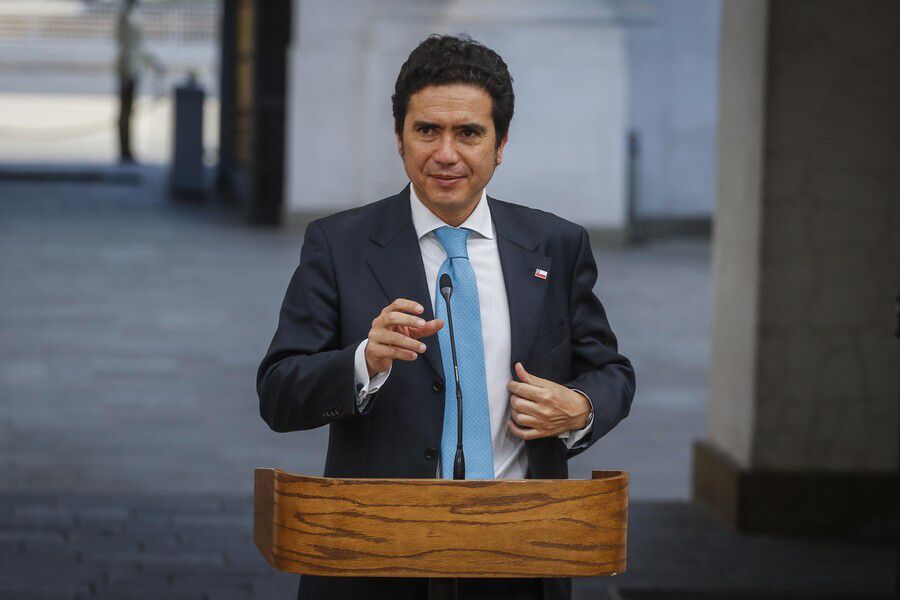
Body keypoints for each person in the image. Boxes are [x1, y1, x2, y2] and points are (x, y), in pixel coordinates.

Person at [257, 34, 636, 600]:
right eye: (427, 130)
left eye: (469, 133)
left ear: (501, 145)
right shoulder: (339, 245)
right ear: (399, 138)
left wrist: (580, 407)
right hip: (378, 557)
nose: (446, 154)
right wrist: (364, 361)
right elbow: (277, 394)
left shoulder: (555, 245)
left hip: (520, 555)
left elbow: (612, 372)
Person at [116, 0, 161, 163]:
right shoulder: (127, 16)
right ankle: (125, 149)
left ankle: (127, 149)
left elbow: (138, 46)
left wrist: (153, 62)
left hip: (133, 69)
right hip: (128, 70)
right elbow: (128, 46)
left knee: (128, 111)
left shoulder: (132, 15)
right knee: (125, 111)